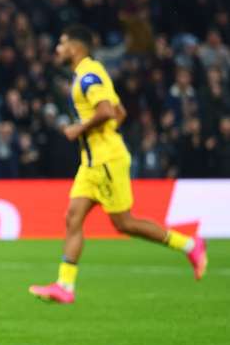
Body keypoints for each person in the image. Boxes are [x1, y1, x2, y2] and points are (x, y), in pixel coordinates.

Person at [29, 25, 207, 305]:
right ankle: (65, 285)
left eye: (62, 44)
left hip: (105, 160)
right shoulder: (91, 73)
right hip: (92, 162)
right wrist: (100, 135)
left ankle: (189, 244)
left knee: (125, 223)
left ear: (76, 47)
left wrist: (81, 129)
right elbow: (120, 112)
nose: (58, 49)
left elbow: (107, 112)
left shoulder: (88, 76)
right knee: (72, 217)